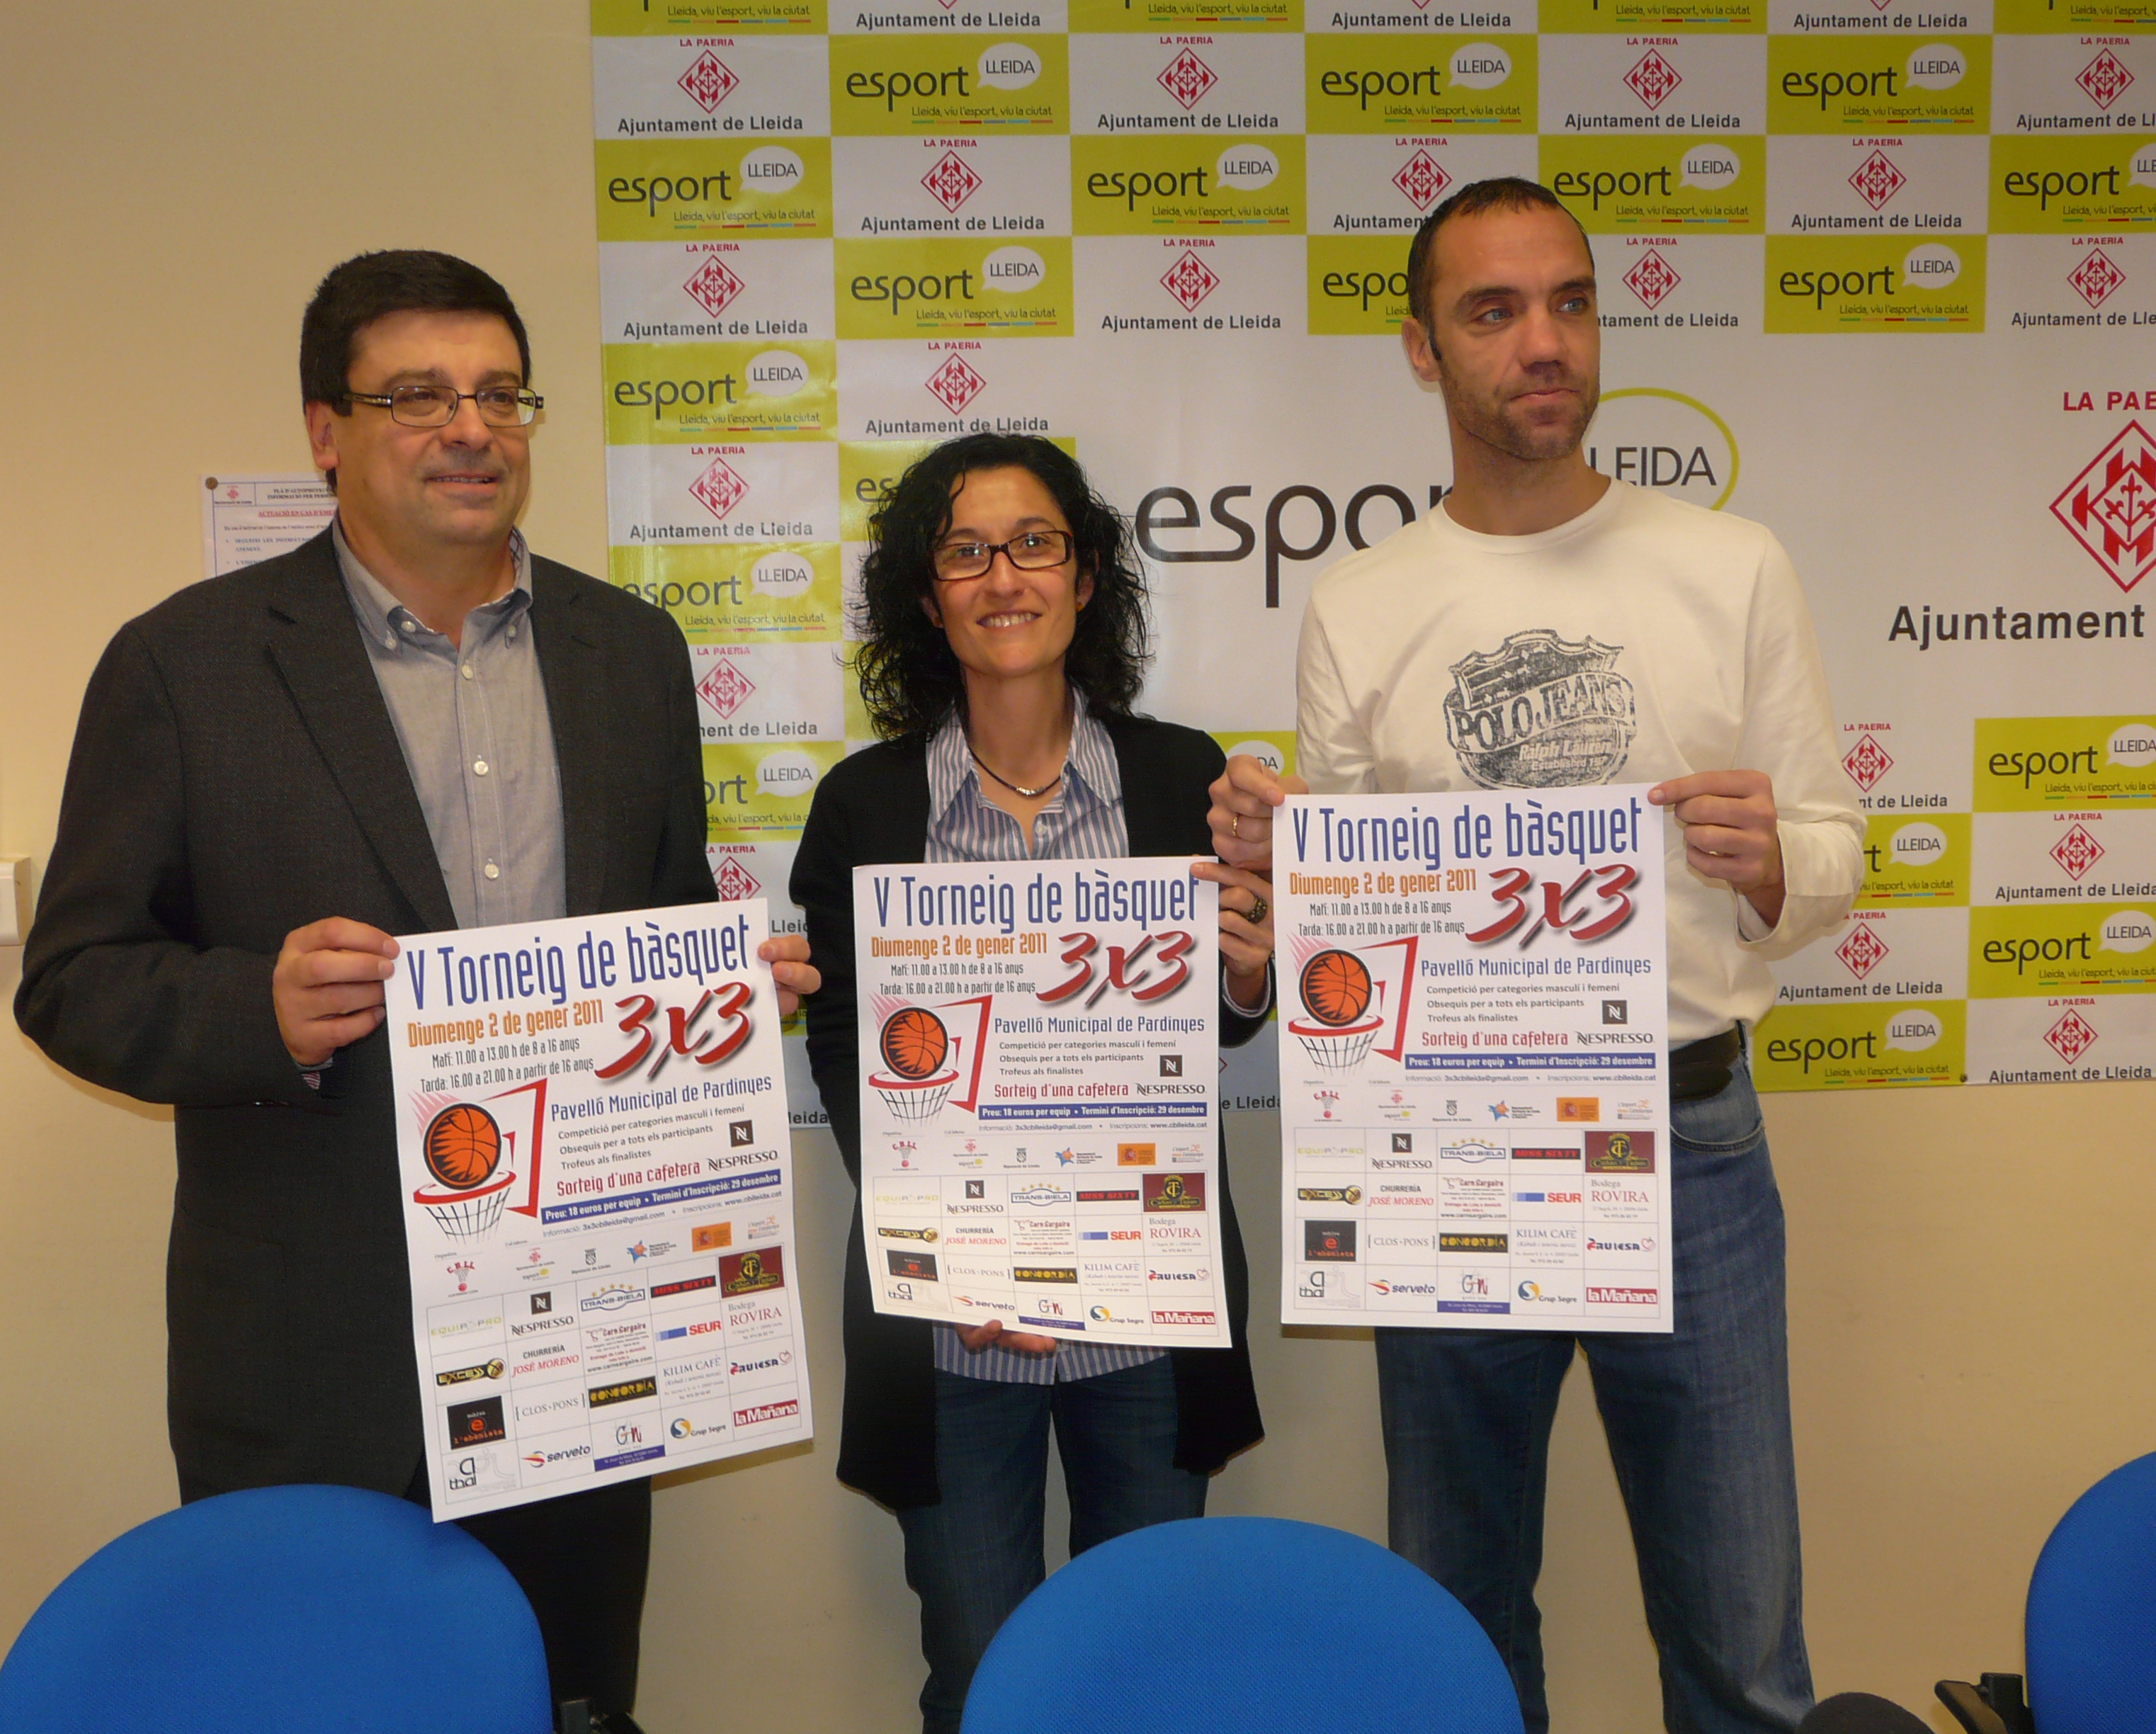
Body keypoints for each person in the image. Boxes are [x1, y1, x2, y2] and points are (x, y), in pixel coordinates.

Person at [15, 249, 817, 1734]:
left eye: (500, 394)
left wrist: (715, 1004)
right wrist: (254, 1010)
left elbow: (648, 932)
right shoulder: (186, 665)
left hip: (583, 1331)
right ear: (327, 431)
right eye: (418, 397)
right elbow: (72, 981)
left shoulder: (631, 654)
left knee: (564, 1700)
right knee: (316, 1701)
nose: (470, 428)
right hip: (317, 1356)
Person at [1210, 179, 1865, 1734]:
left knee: (1738, 1637)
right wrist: (1281, 869)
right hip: (1451, 1140)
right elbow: (1344, 930)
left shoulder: (1734, 564)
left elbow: (1834, 848)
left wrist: (1777, 859)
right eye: (1493, 312)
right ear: (1423, 349)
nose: (1544, 342)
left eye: (1570, 301)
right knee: (1456, 1614)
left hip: (1686, 1138)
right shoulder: (1362, 604)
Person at [790, 434, 1269, 1734]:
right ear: (926, 594)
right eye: (965, 553)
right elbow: (846, 1055)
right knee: (981, 1675)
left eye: (1035, 544)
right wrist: (961, 1257)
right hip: (951, 1328)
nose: (1004, 578)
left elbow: (1221, 1025)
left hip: (1148, 1312)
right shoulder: (863, 805)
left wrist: (1246, 972)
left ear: (1087, 575)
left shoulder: (1180, 777)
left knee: (1147, 1673)